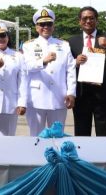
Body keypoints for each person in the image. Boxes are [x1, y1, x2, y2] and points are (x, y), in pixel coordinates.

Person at [68, 6, 106, 136]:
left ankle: (102, 156)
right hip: (81, 94)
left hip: (103, 94)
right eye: (85, 18)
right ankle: (82, 155)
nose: (88, 21)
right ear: (79, 21)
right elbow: (66, 66)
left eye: (91, 18)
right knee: (81, 132)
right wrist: (75, 62)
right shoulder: (71, 41)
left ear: (96, 20)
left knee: (103, 132)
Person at [22, 8, 76, 137]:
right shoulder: (28, 45)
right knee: (36, 136)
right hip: (36, 98)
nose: (45, 27)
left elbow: (70, 70)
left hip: (59, 97)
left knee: (57, 135)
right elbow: (27, 66)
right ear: (36, 27)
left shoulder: (63, 45)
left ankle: (56, 157)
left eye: (49, 24)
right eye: (42, 24)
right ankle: (36, 157)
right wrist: (43, 61)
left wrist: (71, 93)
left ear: (53, 26)